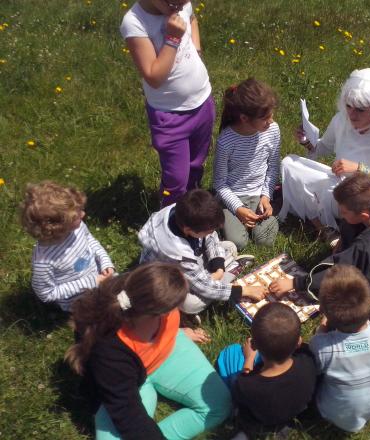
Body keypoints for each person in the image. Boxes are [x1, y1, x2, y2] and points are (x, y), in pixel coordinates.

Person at [65, 262, 232, 439]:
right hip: (129, 381)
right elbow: (127, 413)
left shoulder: (143, 291)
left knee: (218, 404)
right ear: (157, 313)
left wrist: (176, 332)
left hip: (169, 350)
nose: (177, 312)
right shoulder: (108, 352)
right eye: (174, 309)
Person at [279, 67, 370, 231]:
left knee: (332, 195)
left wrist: (360, 169)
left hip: (364, 197)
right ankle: (325, 223)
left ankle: (321, 224)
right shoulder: (341, 120)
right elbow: (322, 148)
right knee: (289, 164)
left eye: (360, 109)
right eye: (348, 106)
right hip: (336, 185)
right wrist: (307, 141)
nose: (352, 115)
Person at [121, 0, 214, 206]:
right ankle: (170, 223)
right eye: (173, 3)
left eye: (183, 3)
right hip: (170, 115)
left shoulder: (181, 6)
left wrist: (196, 50)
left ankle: (192, 210)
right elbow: (154, 77)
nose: (179, 8)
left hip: (202, 101)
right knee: (176, 180)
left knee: (196, 165)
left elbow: (192, 18)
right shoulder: (135, 22)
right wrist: (172, 38)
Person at [269, 173, 370, 298]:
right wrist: (343, 242)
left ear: (364, 215)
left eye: (345, 212)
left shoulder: (368, 246)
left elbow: (342, 273)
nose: (341, 214)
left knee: (350, 291)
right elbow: (350, 226)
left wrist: (295, 283)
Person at [138, 189, 267, 315]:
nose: (212, 233)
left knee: (229, 246)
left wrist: (219, 267)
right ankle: (232, 269)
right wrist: (244, 290)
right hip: (169, 283)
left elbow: (210, 236)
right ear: (188, 230)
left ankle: (220, 271)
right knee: (190, 304)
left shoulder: (184, 213)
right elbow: (206, 288)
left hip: (189, 267)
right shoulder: (176, 252)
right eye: (209, 230)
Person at [309, 265, 370, 432]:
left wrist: (322, 328)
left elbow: (315, 365)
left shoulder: (322, 347)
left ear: (324, 313)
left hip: (339, 415)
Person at [216, 303, 317, 438]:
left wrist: (248, 361)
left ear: (254, 345)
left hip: (260, 421)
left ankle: (244, 432)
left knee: (230, 353)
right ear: (298, 342)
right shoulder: (308, 361)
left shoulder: (247, 385)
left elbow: (240, 392)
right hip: (295, 412)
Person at [20, 181, 115, 311]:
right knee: (107, 315)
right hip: (79, 300)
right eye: (77, 215)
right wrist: (91, 282)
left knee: (129, 291)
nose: (83, 214)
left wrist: (105, 263)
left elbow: (91, 242)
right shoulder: (44, 262)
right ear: (60, 227)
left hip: (99, 278)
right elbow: (46, 294)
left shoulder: (77, 228)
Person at [213, 78, 280, 250]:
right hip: (233, 197)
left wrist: (266, 196)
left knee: (264, 241)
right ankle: (224, 215)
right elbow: (220, 183)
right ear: (244, 118)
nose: (271, 121)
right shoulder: (226, 141)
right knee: (238, 243)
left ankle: (263, 217)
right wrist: (237, 209)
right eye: (265, 118)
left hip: (259, 195)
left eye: (271, 115)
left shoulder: (272, 130)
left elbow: (272, 166)